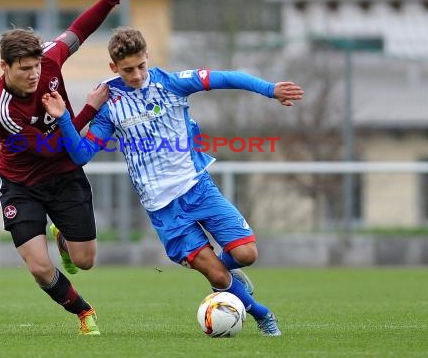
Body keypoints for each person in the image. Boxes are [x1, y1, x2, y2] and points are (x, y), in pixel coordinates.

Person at [41, 26, 304, 337]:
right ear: (113, 67)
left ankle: (225, 273)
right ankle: (263, 315)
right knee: (218, 277)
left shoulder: (171, 83)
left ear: (148, 58)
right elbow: (81, 153)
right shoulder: (109, 103)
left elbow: (226, 77)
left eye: (141, 66)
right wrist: (63, 117)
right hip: (163, 208)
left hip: (198, 187)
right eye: (128, 70)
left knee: (246, 255)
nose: (137, 75)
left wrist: (270, 89)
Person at [0, 0, 136, 336]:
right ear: (5, 67)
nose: (34, 75)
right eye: (24, 69)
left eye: (37, 66)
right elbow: (51, 148)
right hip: (22, 183)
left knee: (84, 261)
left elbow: (79, 30)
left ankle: (64, 239)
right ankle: (84, 312)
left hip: (65, 174)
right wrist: (87, 110)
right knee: (39, 267)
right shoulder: (0, 111)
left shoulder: (50, 60)